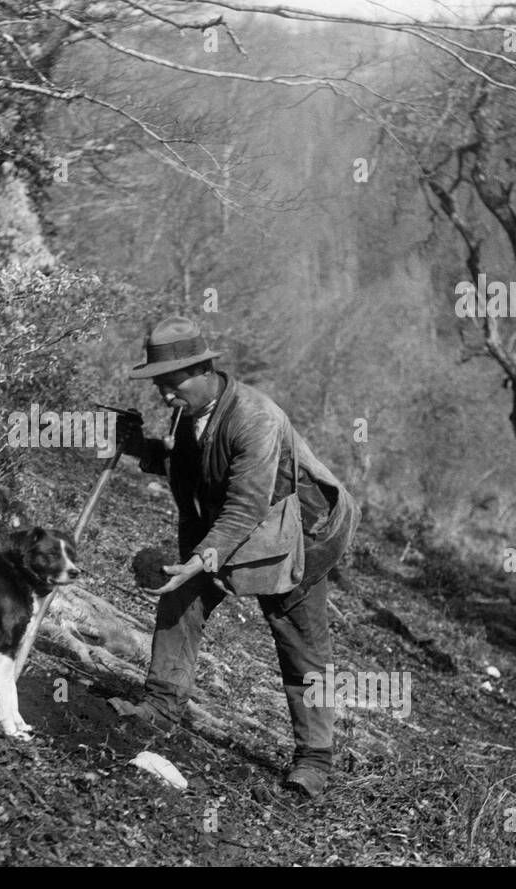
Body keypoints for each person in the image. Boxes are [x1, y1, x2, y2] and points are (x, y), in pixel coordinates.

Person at [116, 317, 360, 797]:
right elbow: (193, 470)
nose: (165, 394)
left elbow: (246, 503)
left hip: (300, 533)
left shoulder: (255, 417)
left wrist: (204, 556)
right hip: (236, 528)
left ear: (206, 369)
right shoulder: (190, 412)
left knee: (301, 645)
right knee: (180, 597)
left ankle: (314, 760)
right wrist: (138, 449)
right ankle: (161, 706)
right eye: (159, 384)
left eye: (173, 382)